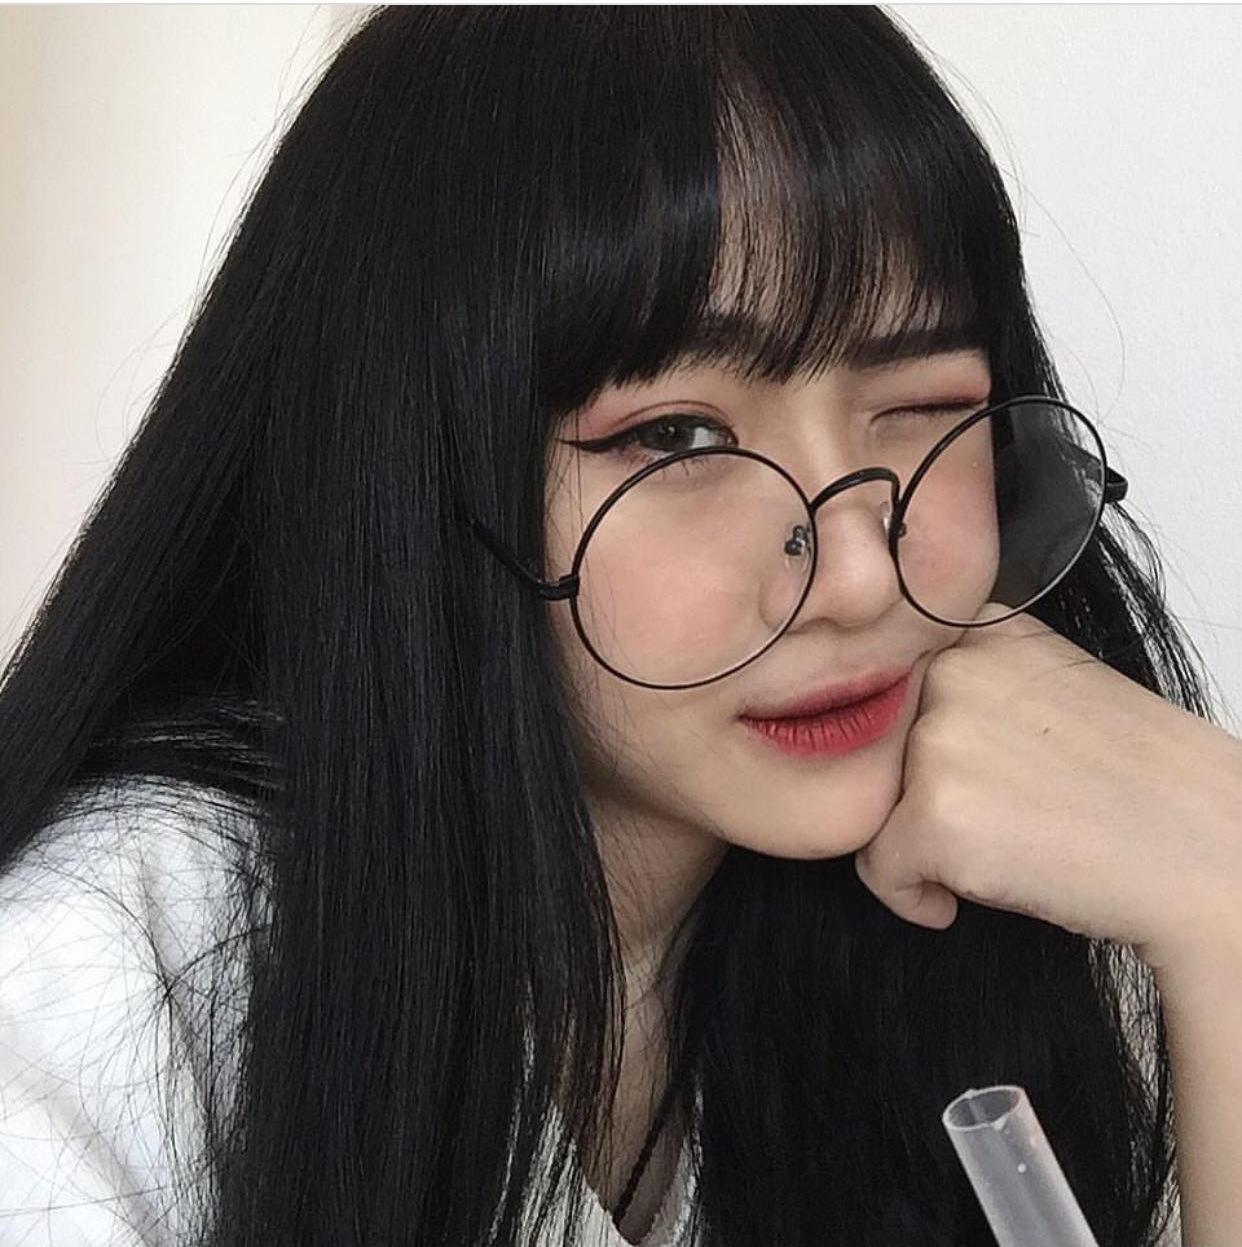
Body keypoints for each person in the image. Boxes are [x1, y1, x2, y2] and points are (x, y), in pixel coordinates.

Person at [1, 8, 1237, 1246]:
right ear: (416, 469)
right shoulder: (96, 996)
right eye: (676, 436)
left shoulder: (957, 917)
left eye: (921, 404)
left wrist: (1220, 898)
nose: (862, 576)